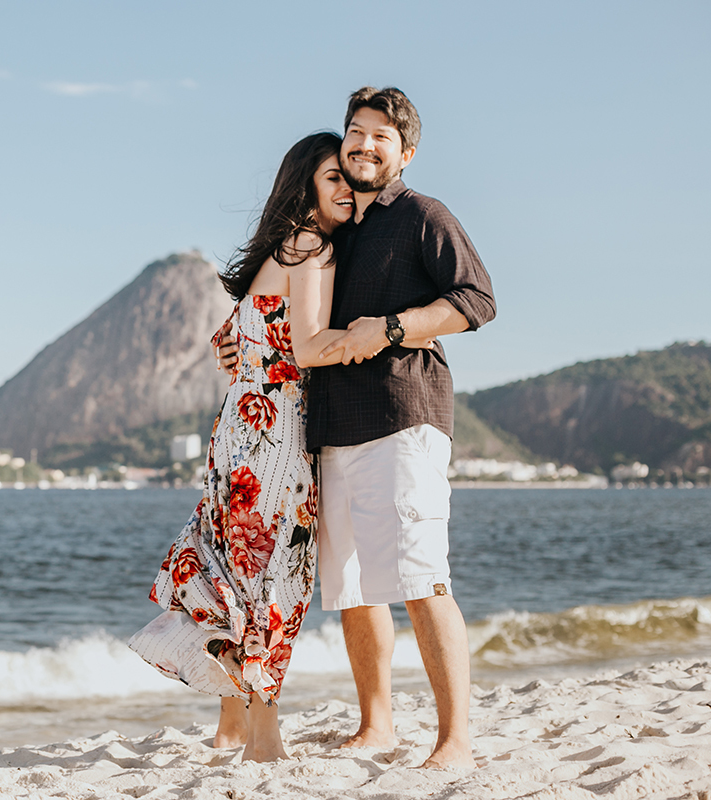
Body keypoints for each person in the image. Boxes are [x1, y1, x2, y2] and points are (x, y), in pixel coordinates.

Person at [128, 132, 434, 762]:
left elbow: (238, 335)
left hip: (240, 432)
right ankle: (263, 735)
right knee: (272, 579)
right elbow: (309, 349)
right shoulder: (311, 245)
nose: (346, 189)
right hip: (278, 439)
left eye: (346, 179)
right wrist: (389, 334)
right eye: (332, 178)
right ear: (305, 186)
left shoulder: (283, 248)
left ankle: (232, 726)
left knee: (238, 569)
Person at [216, 87, 496, 770]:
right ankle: (378, 726)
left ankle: (454, 740)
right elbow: (286, 311)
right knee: (352, 587)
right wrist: (247, 346)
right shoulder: (336, 231)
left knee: (422, 577)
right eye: (355, 133)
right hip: (330, 429)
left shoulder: (422, 215)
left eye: (380, 137)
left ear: (406, 152)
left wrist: (395, 327)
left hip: (404, 414)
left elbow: (477, 299)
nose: (364, 146)